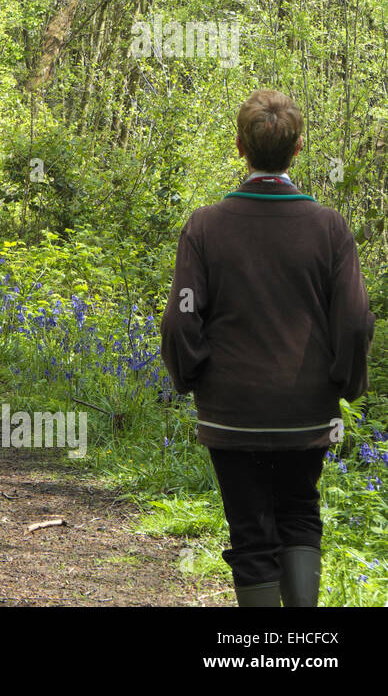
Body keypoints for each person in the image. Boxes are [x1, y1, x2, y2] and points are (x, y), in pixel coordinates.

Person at [160, 89, 375, 606]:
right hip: (306, 409)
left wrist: (192, 377)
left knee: (251, 533)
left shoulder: (205, 226)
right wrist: (346, 384)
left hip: (231, 411)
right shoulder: (330, 228)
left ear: (240, 146)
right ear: (298, 148)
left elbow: (180, 318)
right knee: (300, 514)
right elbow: (353, 320)